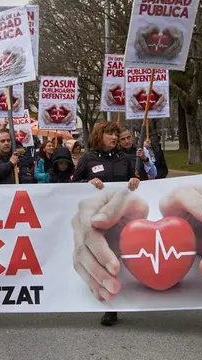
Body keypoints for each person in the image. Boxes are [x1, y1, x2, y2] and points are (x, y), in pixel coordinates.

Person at [72, 121, 140, 327]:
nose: (114, 138)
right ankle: (111, 309)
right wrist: (87, 183)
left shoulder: (125, 159)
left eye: (116, 135)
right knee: (107, 263)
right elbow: (72, 182)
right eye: (110, 134)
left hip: (123, 219)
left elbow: (141, 181)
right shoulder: (88, 159)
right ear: (99, 136)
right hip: (97, 222)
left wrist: (136, 179)